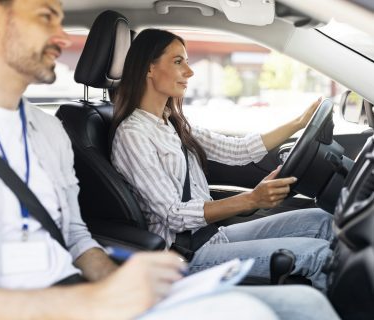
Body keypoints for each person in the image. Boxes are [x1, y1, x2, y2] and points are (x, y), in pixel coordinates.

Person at [0, 1, 341, 319]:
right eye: (46, 15)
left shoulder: (48, 131)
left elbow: (74, 233)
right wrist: (90, 302)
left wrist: (114, 281)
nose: (62, 35)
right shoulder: (128, 132)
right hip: (70, 299)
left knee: (311, 278)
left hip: (86, 294)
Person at [110, 28, 334, 291]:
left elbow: (238, 150)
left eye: (187, 62)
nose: (189, 72)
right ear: (149, 68)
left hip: (211, 236)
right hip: (184, 253)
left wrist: (300, 123)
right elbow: (173, 215)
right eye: (178, 61)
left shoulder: (171, 123)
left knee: (323, 221)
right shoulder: (133, 135)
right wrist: (251, 199)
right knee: (319, 254)